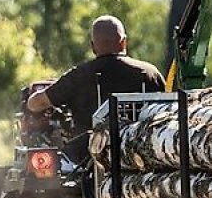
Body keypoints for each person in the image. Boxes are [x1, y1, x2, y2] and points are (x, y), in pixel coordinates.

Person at [27, 14, 165, 164]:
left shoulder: (79, 76)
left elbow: (36, 104)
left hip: (86, 163)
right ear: (124, 42)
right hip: (146, 159)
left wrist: (32, 98)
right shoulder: (150, 73)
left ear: (93, 47)